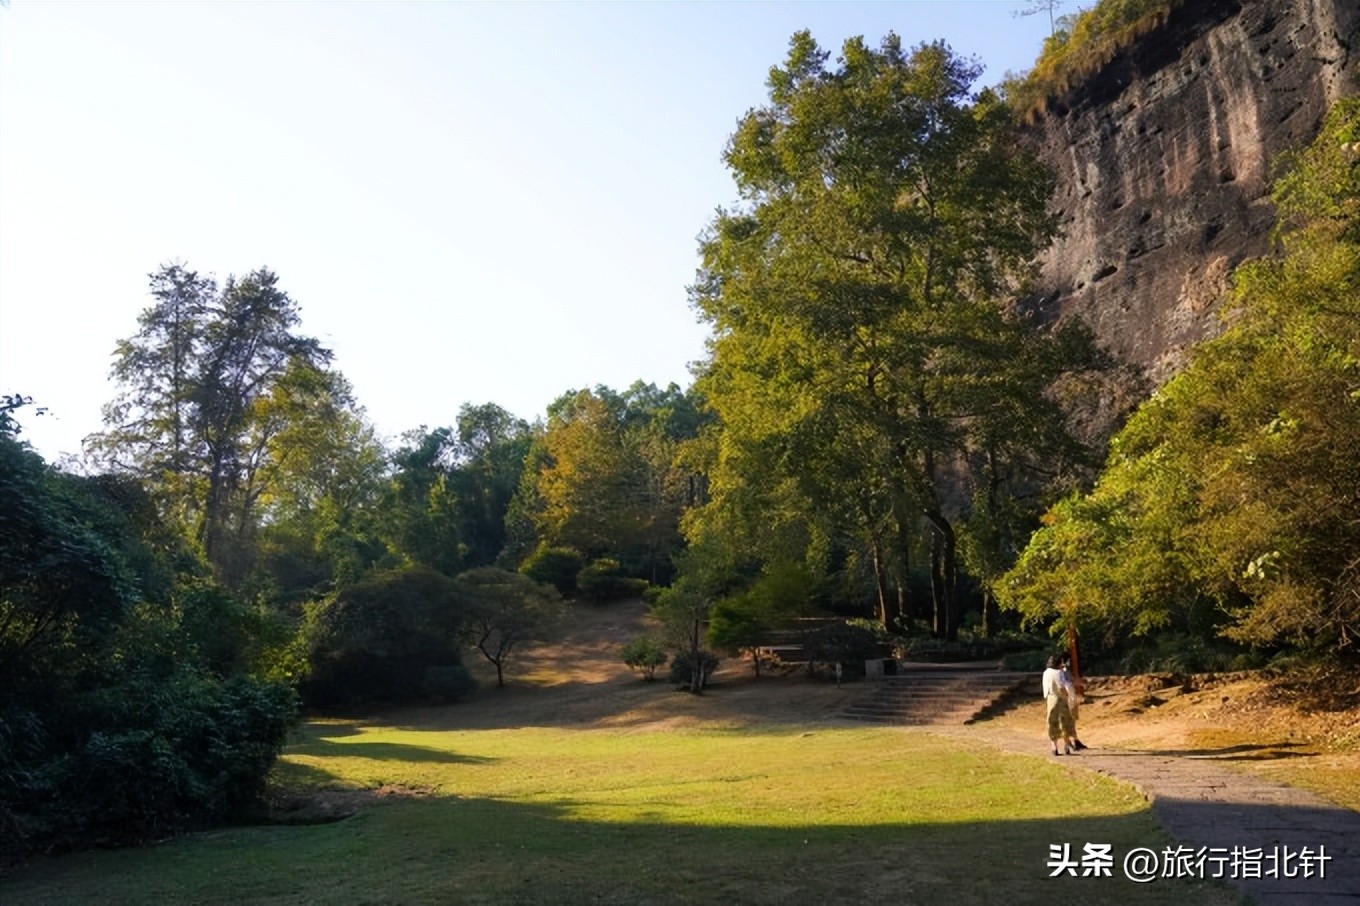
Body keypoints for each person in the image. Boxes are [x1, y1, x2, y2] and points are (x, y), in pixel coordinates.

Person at [1041, 655, 1077, 755]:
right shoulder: (1059, 673)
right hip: (1060, 698)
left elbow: (1046, 687)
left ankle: (1054, 747)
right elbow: (1061, 687)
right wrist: (1067, 695)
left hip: (1050, 699)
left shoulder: (1046, 673)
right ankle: (1066, 745)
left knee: (1052, 721)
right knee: (1064, 721)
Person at [1061, 657, 1088, 751]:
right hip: (1068, 700)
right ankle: (1068, 742)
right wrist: (1082, 683)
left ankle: (1075, 741)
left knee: (1072, 721)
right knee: (1067, 722)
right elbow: (1071, 682)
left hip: (1071, 699)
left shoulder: (1066, 672)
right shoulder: (1062, 673)